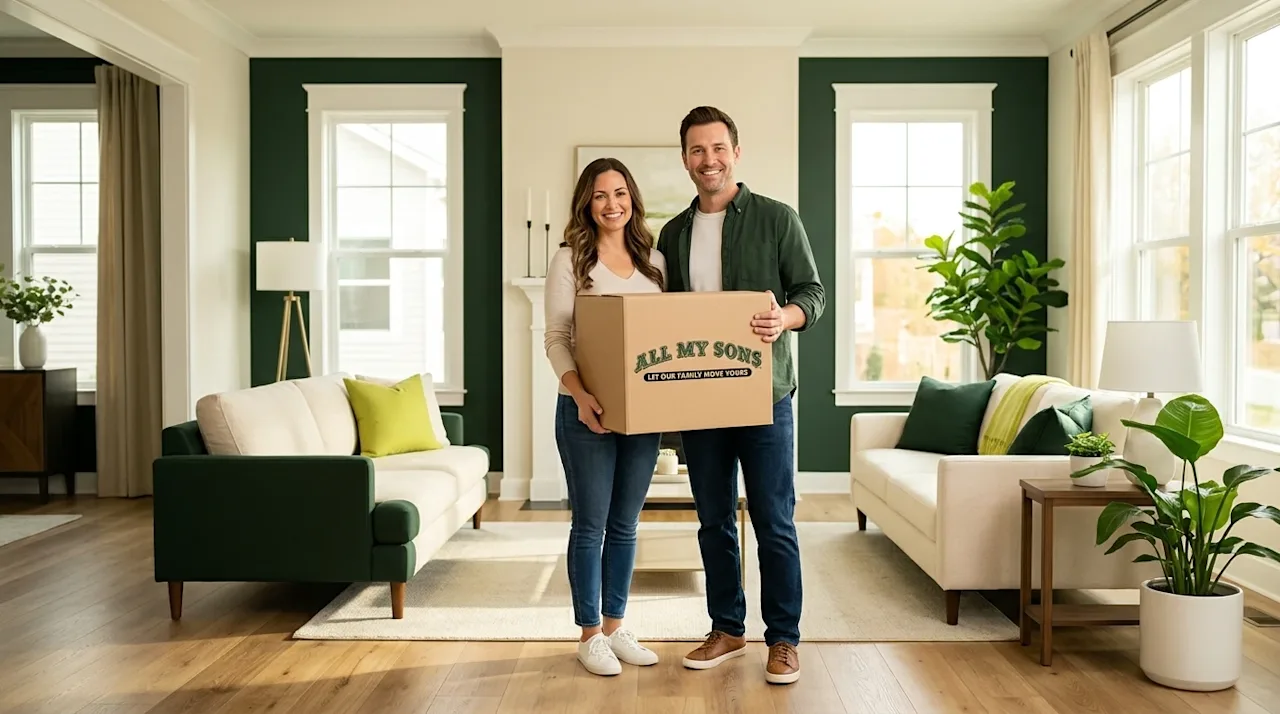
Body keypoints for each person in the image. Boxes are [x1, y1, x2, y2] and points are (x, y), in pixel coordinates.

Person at [655, 106, 824, 685]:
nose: (709, 160)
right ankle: (727, 629)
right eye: (697, 150)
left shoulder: (778, 218)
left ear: (736, 152)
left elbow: (812, 293)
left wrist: (786, 318)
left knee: (774, 520)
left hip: (765, 397)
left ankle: (784, 640)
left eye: (718, 148)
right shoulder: (674, 234)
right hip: (699, 398)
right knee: (714, 520)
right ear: (685, 159)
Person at [544, 157, 668, 676]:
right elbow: (557, 339)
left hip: (642, 415)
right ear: (586, 203)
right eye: (600, 195)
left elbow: (665, 334)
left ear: (632, 199)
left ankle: (616, 628)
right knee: (591, 525)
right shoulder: (570, 260)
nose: (611, 204)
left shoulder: (654, 261)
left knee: (625, 524)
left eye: (619, 193)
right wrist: (580, 396)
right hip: (585, 412)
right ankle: (589, 634)